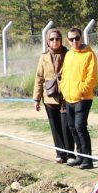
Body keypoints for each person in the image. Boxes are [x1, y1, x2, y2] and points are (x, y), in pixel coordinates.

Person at [60, 27, 98, 168]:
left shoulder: (89, 54)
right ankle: (80, 156)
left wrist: (82, 90)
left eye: (77, 38)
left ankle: (88, 160)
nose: (74, 41)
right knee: (72, 127)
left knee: (80, 127)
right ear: (68, 40)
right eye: (71, 39)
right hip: (69, 97)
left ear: (81, 37)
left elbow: (92, 77)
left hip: (83, 98)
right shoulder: (69, 55)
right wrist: (64, 90)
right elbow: (64, 75)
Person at [33, 29, 72, 163]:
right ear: (47, 41)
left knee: (66, 126)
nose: (55, 41)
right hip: (50, 98)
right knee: (55, 127)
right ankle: (60, 154)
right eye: (52, 39)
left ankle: (70, 154)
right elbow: (39, 78)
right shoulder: (44, 57)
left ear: (61, 40)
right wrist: (36, 99)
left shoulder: (68, 54)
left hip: (66, 97)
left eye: (57, 38)